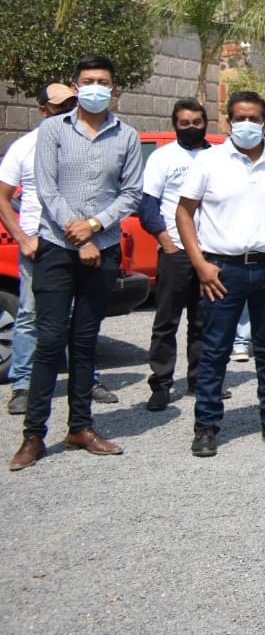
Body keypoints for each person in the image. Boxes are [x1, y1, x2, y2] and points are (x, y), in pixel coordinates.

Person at [9, 58, 141, 472]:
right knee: (49, 341)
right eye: (88, 82)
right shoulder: (52, 130)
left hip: (102, 249)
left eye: (103, 82)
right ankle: (34, 435)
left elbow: (132, 192)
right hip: (55, 247)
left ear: (114, 89)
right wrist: (76, 232)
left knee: (85, 341)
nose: (96, 88)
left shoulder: (128, 137)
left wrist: (96, 226)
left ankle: (80, 427)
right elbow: (45, 187)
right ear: (76, 86)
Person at [175, 90, 265, 459]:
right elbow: (184, 213)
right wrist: (200, 264)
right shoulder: (209, 161)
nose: (247, 124)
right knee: (215, 349)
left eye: (254, 118)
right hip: (223, 270)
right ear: (228, 121)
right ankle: (206, 426)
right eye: (240, 118)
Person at [0, 83, 78, 418]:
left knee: (79, 317)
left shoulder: (82, 143)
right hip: (38, 244)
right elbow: (3, 197)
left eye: (70, 106)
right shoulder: (24, 147)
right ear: (42, 109)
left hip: (75, 242)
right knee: (30, 315)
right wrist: (22, 238)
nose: (65, 112)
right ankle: (22, 384)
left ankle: (87, 379)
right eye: (59, 107)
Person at [138, 99, 212, 411]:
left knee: (204, 320)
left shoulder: (218, 157)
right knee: (167, 320)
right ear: (175, 124)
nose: (192, 127)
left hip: (211, 252)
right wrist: (165, 241)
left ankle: (200, 380)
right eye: (185, 123)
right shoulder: (162, 158)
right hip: (177, 252)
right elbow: (147, 205)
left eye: (197, 122)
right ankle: (161, 384)